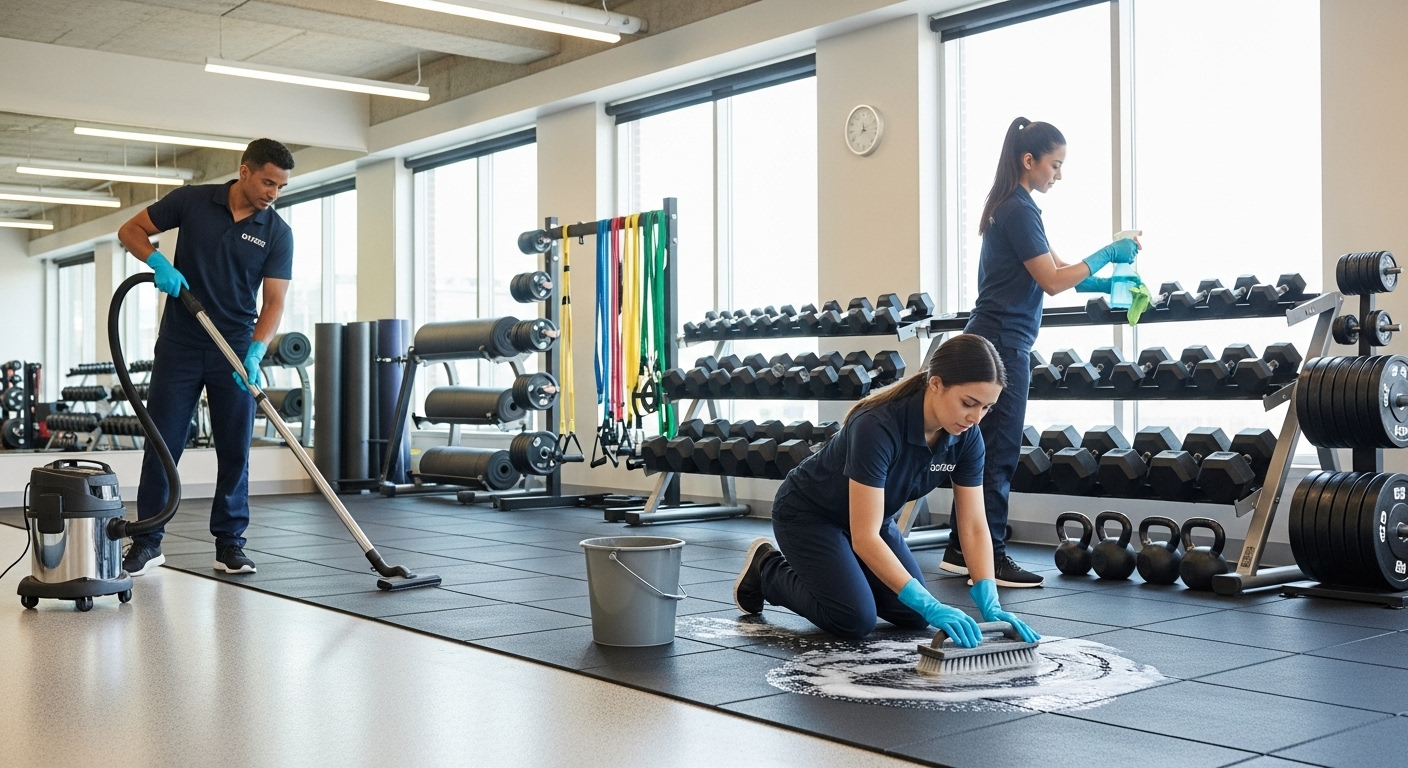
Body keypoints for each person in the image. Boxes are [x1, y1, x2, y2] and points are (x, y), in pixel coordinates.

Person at [732, 334, 1040, 645]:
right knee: (854, 618)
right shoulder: (877, 426)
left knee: (915, 616)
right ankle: (767, 570)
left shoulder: (967, 438)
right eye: (968, 403)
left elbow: (973, 526)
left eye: (987, 407)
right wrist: (930, 602)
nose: (976, 418)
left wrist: (991, 601)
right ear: (936, 384)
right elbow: (864, 537)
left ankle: (846, 576)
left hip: (873, 524)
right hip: (810, 516)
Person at [940, 117, 1141, 588]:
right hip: (1003, 344)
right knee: (999, 452)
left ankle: (961, 549)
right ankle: (988, 556)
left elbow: (1055, 269)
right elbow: (1052, 282)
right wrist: (1110, 252)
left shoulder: (1013, 206)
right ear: (1029, 161)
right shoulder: (1018, 208)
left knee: (981, 449)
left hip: (996, 339)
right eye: (1056, 164)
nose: (1059, 174)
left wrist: (1109, 277)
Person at [116, 139, 296, 577]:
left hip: (232, 348)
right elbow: (130, 231)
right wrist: (158, 261)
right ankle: (147, 541)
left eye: (281, 186)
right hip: (179, 343)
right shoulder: (192, 201)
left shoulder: (277, 233)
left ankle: (231, 544)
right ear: (245, 171)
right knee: (163, 442)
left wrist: (255, 351)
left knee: (235, 448)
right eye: (268, 181)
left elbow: (273, 303)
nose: (273, 192)